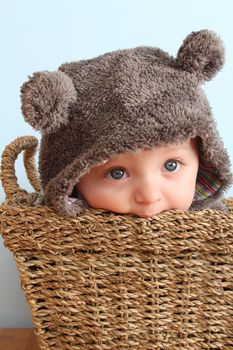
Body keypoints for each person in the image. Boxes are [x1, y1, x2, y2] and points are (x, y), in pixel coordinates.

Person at [20, 29, 232, 217]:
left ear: (203, 162)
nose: (149, 196)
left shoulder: (216, 236)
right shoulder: (53, 243)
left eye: (171, 165)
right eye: (117, 173)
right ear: (73, 184)